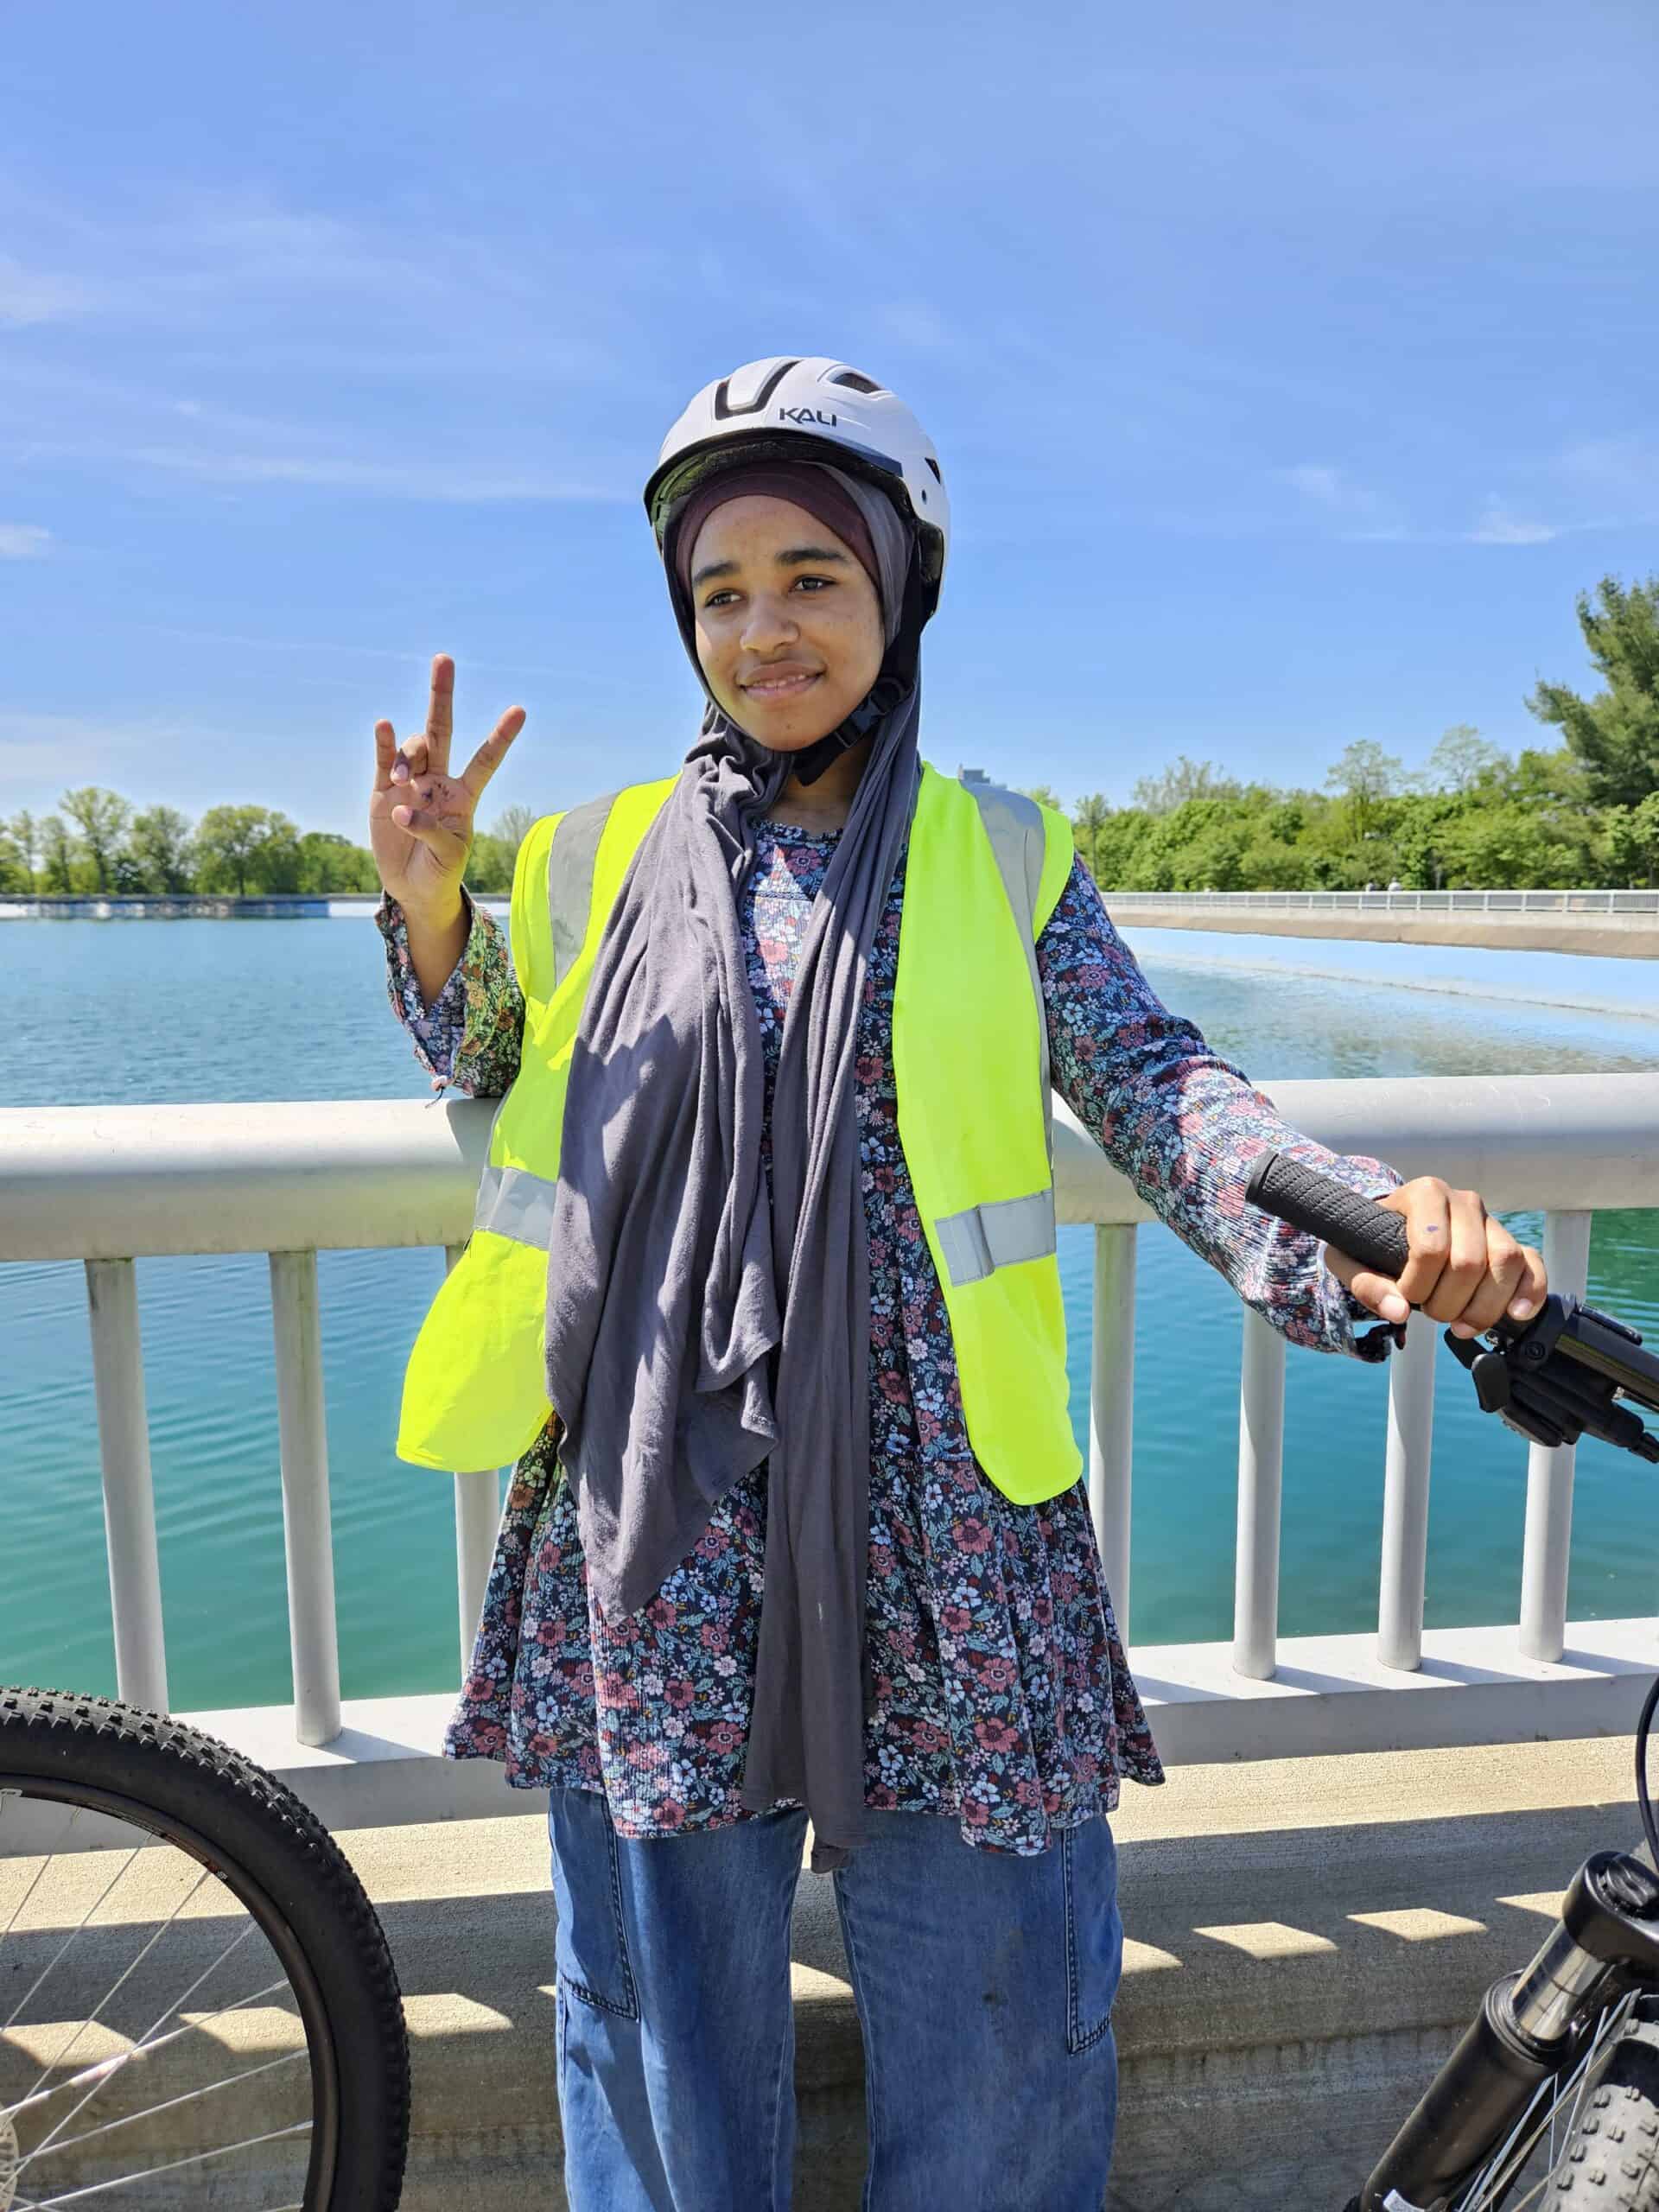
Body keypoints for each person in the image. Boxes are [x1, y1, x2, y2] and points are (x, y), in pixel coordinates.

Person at [367, 358, 1547, 2212]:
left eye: (812, 577)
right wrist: (436, 907)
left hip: (954, 1533)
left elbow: (1161, 1087)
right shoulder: (584, 852)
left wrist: (1367, 1223)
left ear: (903, 585)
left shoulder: (999, 853)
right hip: (660, 1522)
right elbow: (497, 1066)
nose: (763, 629)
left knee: (1003, 2048)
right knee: (657, 2060)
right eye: (720, 590)